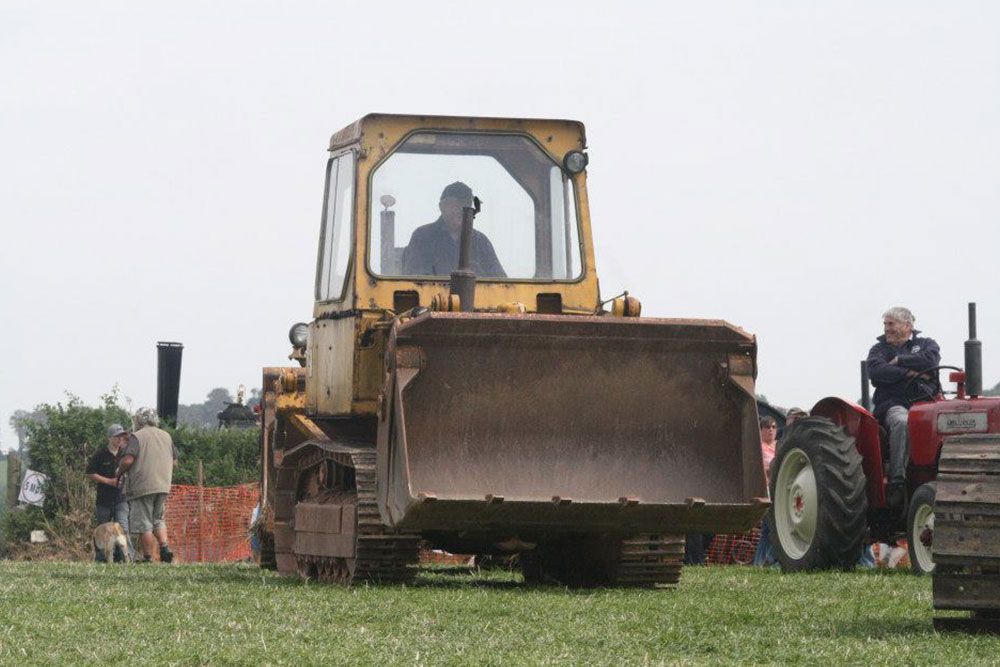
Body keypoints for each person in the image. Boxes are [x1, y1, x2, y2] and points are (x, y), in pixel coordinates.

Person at [865, 306, 940, 508]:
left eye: (891, 324)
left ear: (907, 326)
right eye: (885, 324)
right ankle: (897, 480)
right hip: (893, 404)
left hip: (927, 402)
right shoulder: (878, 350)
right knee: (902, 420)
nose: (886, 328)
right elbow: (877, 372)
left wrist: (899, 361)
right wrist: (911, 373)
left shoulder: (926, 344)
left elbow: (930, 361)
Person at [401, 181, 506, 278]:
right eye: (453, 205)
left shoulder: (481, 241)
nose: (459, 210)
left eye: (465, 205)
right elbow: (413, 278)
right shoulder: (422, 237)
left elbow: (501, 282)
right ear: (441, 206)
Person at [116, 407, 178, 563]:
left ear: (138, 420)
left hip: (143, 486)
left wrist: (119, 470)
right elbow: (175, 462)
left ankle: (148, 557)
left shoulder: (136, 437)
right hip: (163, 485)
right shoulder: (166, 436)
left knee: (144, 524)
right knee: (158, 519)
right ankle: (164, 548)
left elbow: (129, 460)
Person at [85, 424, 132, 562]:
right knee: (102, 529)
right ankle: (101, 559)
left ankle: (125, 558)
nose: (120, 439)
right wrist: (107, 481)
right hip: (103, 500)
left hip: (121, 499)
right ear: (109, 438)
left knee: (123, 528)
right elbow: (90, 473)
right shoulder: (100, 454)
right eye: (117, 436)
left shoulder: (125, 454)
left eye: (122, 436)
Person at [753, 416, 779, 566]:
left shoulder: (779, 446)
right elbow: (757, 469)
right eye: (767, 427)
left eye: (774, 427)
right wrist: (770, 470)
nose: (771, 430)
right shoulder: (758, 447)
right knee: (771, 526)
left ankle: (760, 562)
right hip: (766, 491)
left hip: (778, 490)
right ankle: (768, 559)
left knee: (767, 530)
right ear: (761, 430)